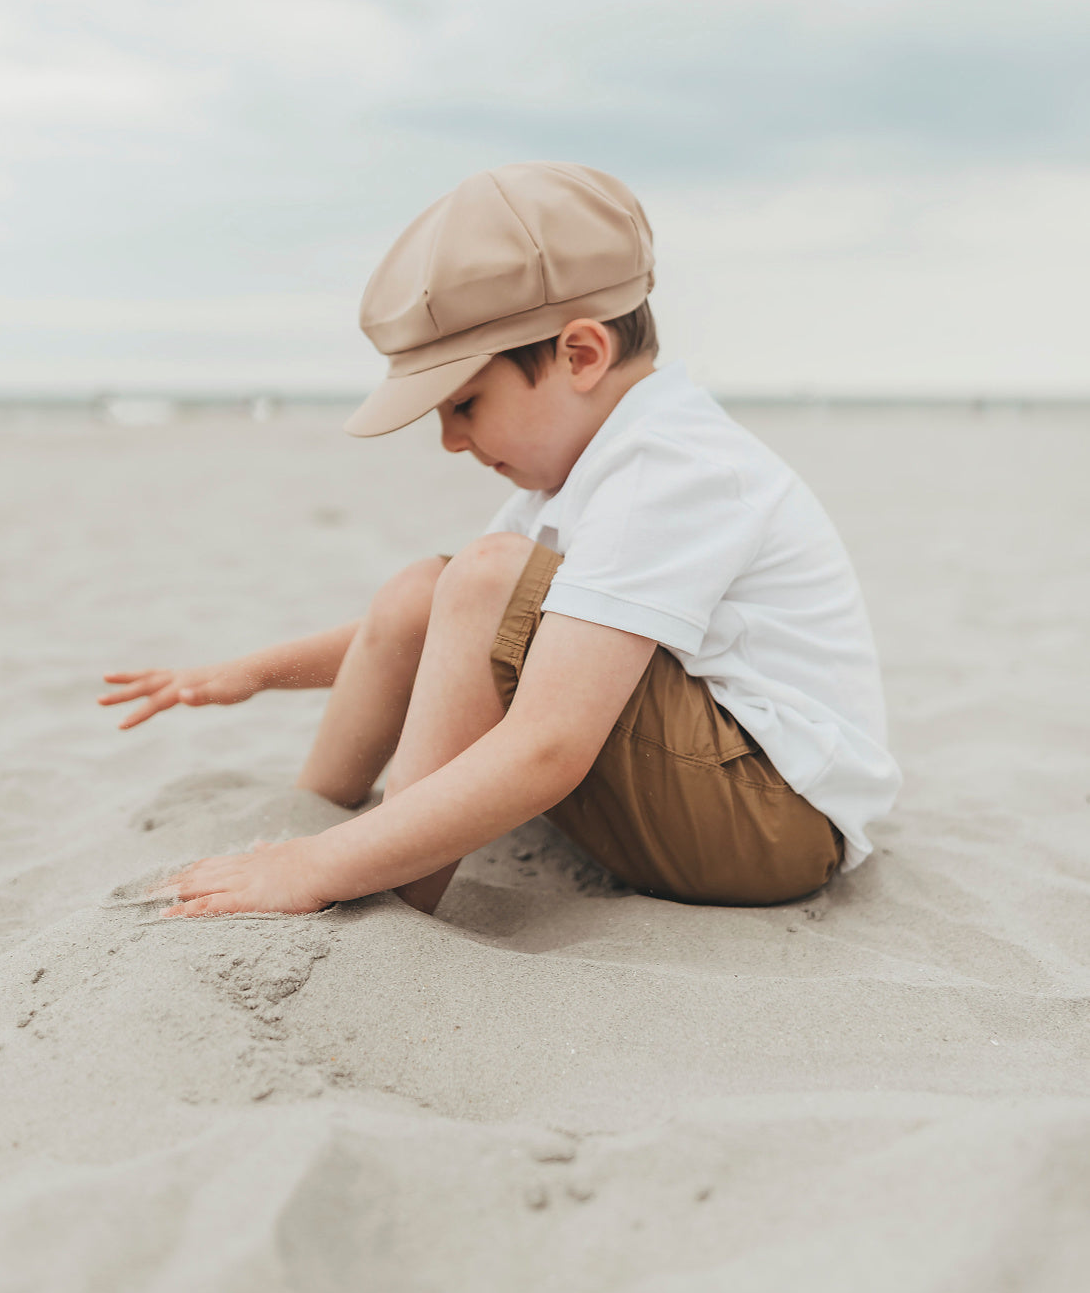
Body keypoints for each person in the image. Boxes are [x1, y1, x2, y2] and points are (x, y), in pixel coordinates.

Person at [99, 161, 901, 919]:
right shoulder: (578, 470)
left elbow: (549, 745)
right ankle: (314, 811)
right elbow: (438, 626)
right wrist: (255, 673)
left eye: (465, 404)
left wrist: (315, 868)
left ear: (580, 354)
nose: (450, 440)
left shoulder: (674, 467)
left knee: (485, 578)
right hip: (706, 793)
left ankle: (369, 891)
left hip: (776, 822)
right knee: (433, 584)